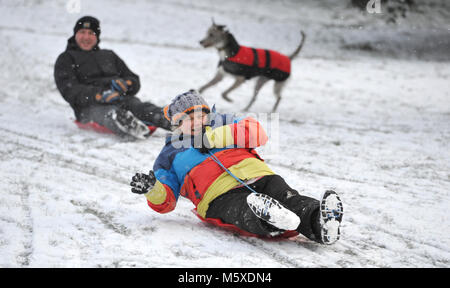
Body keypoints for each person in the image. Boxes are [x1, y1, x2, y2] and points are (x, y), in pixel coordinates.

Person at [130, 90, 343, 244]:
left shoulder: (224, 124)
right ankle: (271, 219)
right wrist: (153, 189)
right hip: (218, 196)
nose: (196, 122)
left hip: (258, 175)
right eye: (188, 118)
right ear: (176, 124)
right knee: (243, 209)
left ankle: (319, 221)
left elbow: (258, 133)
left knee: (289, 198)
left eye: (201, 116)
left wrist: (212, 138)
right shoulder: (169, 154)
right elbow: (166, 202)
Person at [54, 16, 171, 139]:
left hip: (121, 98)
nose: (86, 37)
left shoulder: (108, 55)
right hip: (91, 107)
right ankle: (127, 123)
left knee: (142, 108)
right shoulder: (66, 59)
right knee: (110, 114)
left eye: (91, 33)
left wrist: (127, 84)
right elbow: (70, 90)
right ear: (75, 34)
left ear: (97, 36)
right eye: (82, 32)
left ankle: (173, 121)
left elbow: (133, 78)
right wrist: (99, 95)